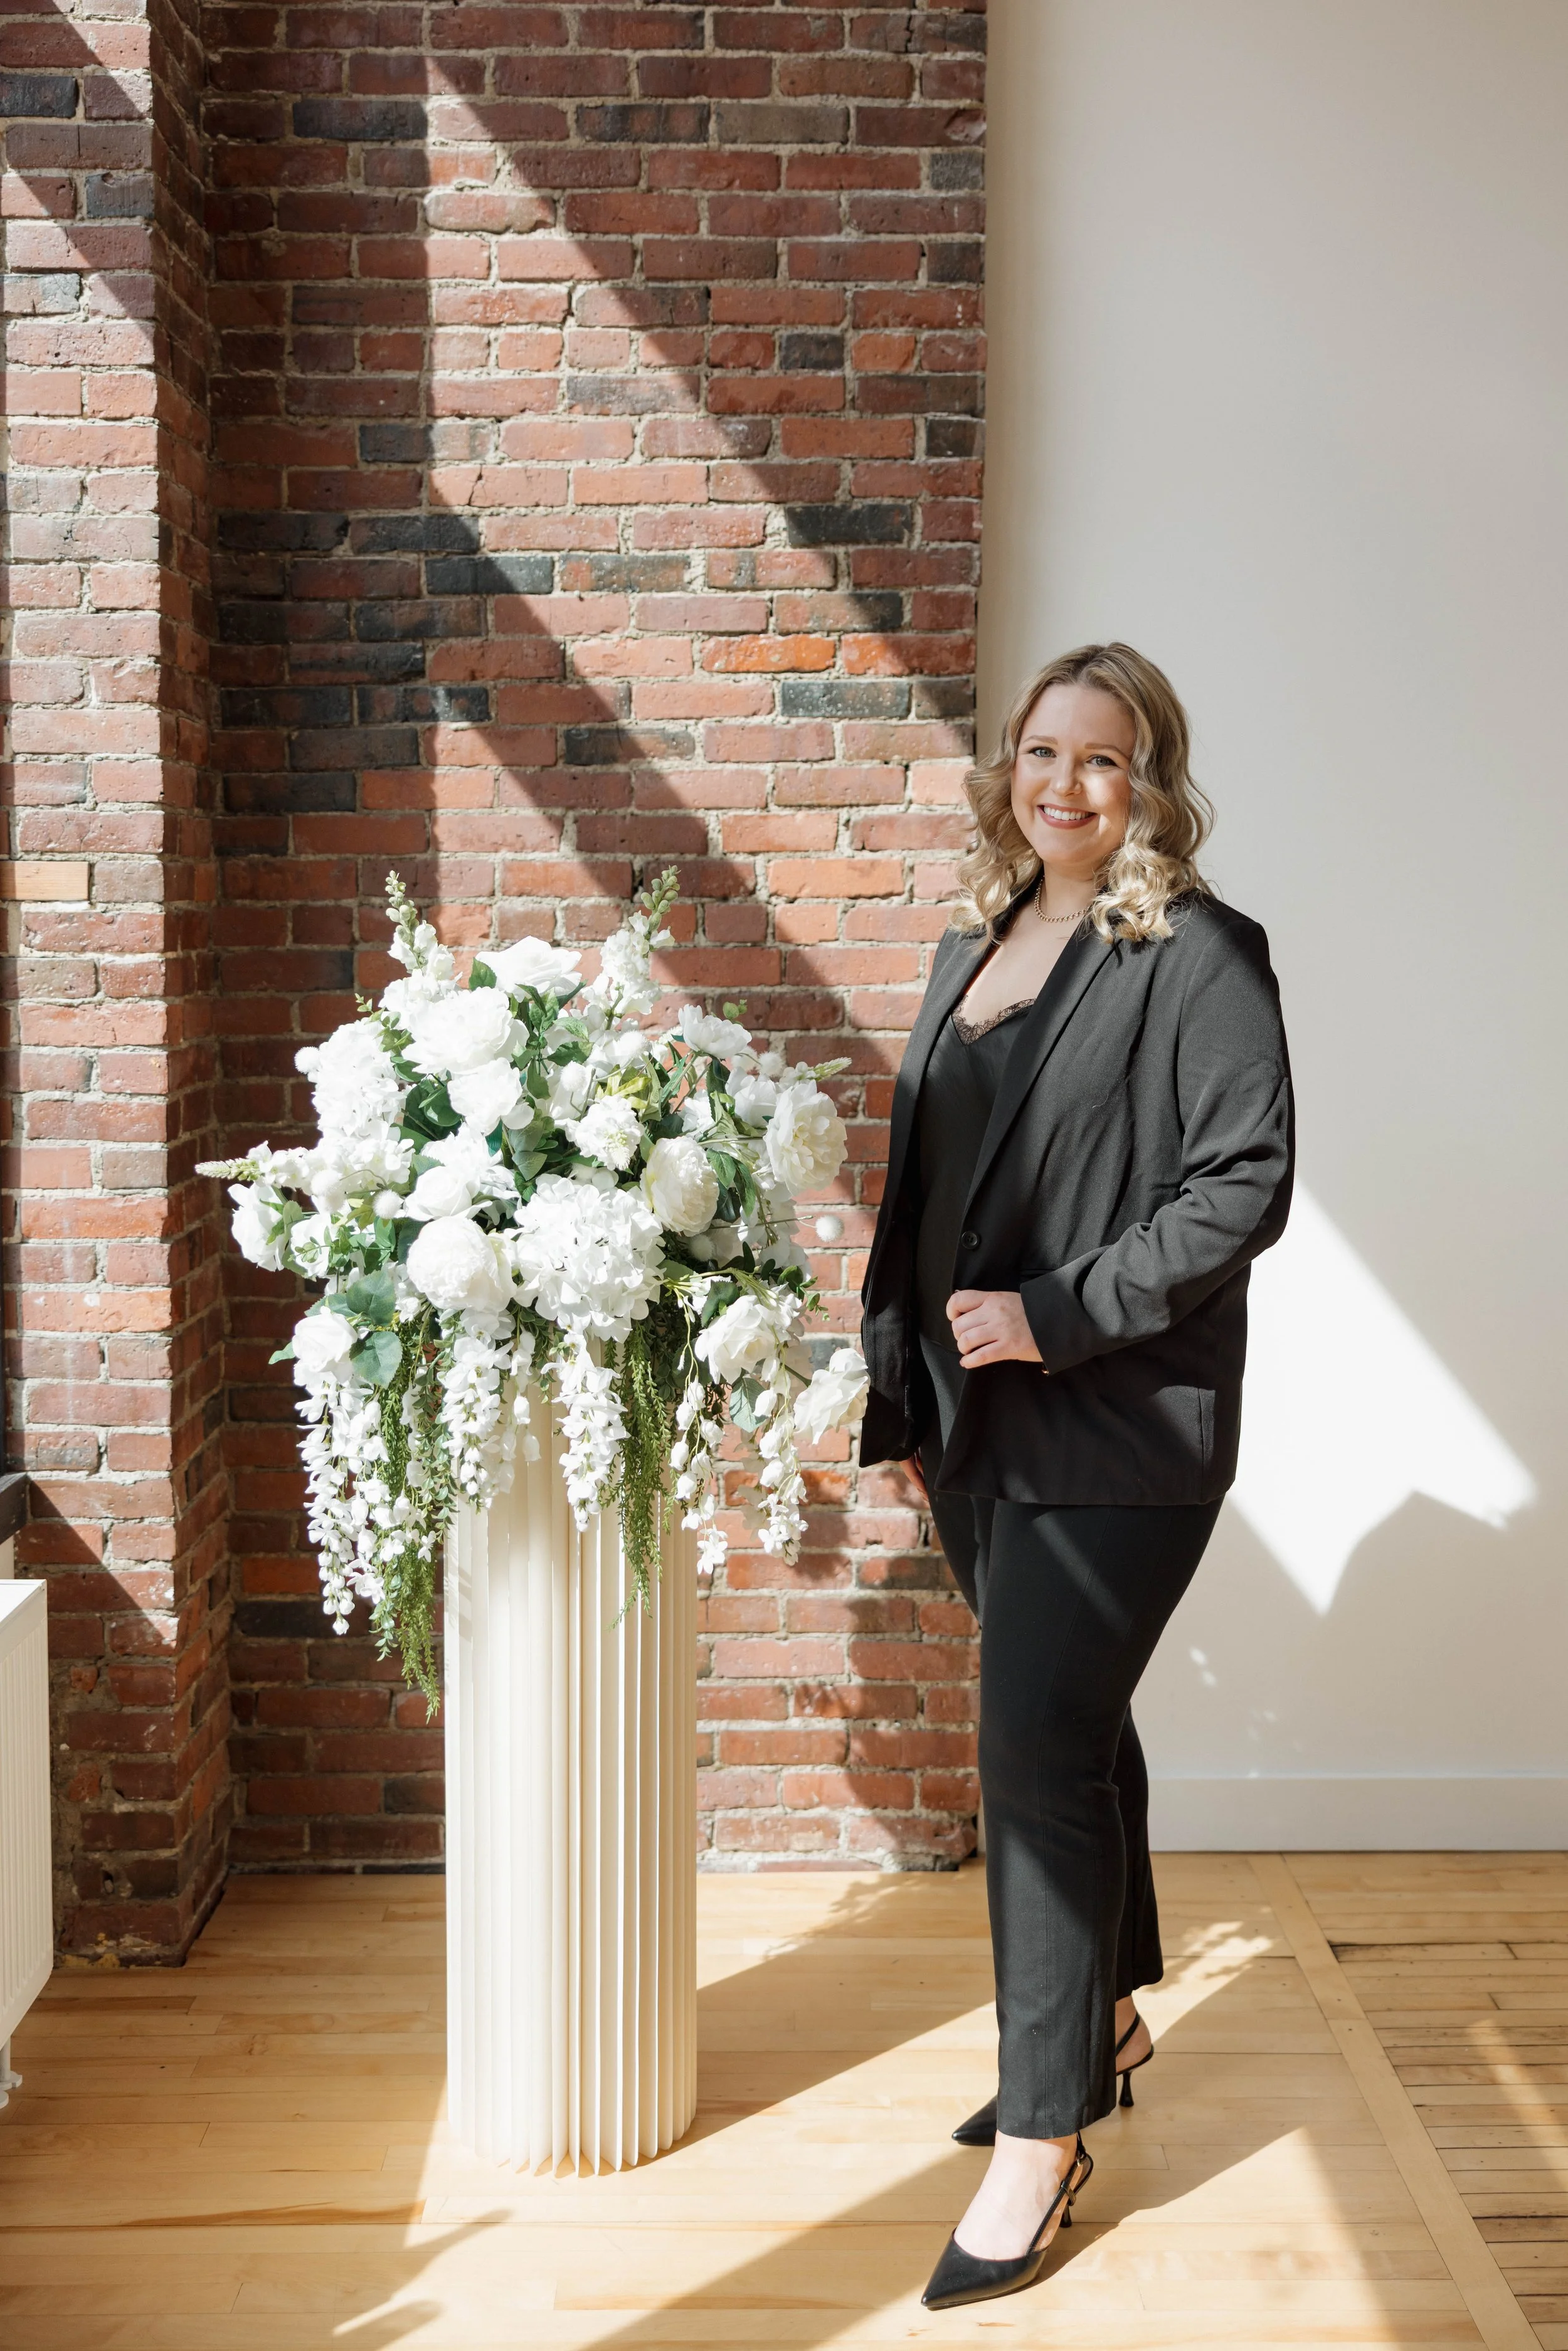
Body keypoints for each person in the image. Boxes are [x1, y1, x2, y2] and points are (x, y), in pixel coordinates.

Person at [858, 643, 1293, 2311]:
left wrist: (1054, 1315)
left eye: (1101, 759)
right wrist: (904, 1344)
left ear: (1153, 778)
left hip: (1117, 1420)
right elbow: (935, 1173)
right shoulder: (981, 934)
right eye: (1041, 751)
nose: (1063, 783)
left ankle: (1041, 2138)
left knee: (1027, 1749)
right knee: (1074, 1723)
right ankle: (1102, 2011)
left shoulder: (1197, 955)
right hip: (974, 1417)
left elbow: (1237, 1183)